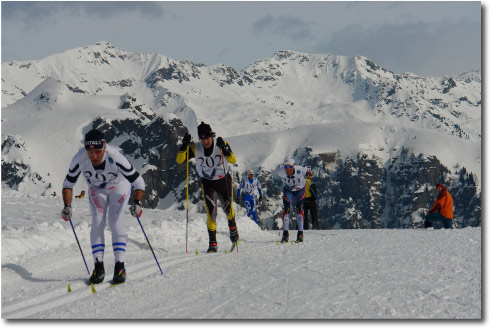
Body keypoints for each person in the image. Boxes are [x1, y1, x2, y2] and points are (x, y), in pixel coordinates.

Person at [61, 129, 146, 284]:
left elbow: (139, 182)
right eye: (90, 153)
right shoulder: (80, 158)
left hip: (119, 187)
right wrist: (67, 205)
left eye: (98, 152)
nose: (94, 156)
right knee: (98, 221)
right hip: (96, 189)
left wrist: (137, 203)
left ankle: (120, 266)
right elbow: (68, 184)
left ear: (104, 147)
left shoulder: (115, 157)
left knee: (114, 220)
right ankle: (98, 267)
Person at [176, 122, 239, 253]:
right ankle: (212, 244)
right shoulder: (196, 148)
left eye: (208, 138)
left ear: (212, 136)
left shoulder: (220, 144)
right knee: (211, 212)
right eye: (202, 139)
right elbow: (179, 160)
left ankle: (232, 228)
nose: (205, 141)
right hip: (208, 183)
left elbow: (233, 160)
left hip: (223, 181)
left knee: (228, 209)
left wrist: (225, 149)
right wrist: (184, 146)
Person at [273, 157, 310, 243]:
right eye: (286, 167)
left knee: (299, 209)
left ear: (293, 166)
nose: (288, 170)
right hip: (288, 190)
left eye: (290, 167)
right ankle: (285, 234)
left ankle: (300, 233)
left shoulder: (300, 170)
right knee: (286, 209)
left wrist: (308, 174)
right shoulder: (281, 171)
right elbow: (277, 168)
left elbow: (308, 168)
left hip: (300, 190)